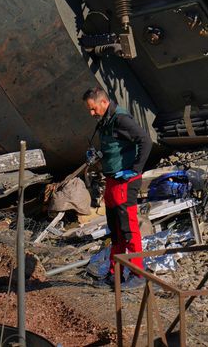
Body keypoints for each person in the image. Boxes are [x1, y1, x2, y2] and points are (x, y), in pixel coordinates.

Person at [82, 87, 153, 288]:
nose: (92, 113)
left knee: (128, 228)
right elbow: (115, 146)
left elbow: (145, 140)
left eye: (93, 108)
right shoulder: (105, 121)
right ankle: (116, 273)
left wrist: (135, 169)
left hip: (125, 181)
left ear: (104, 102)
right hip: (113, 180)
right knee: (116, 230)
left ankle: (138, 274)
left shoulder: (121, 119)